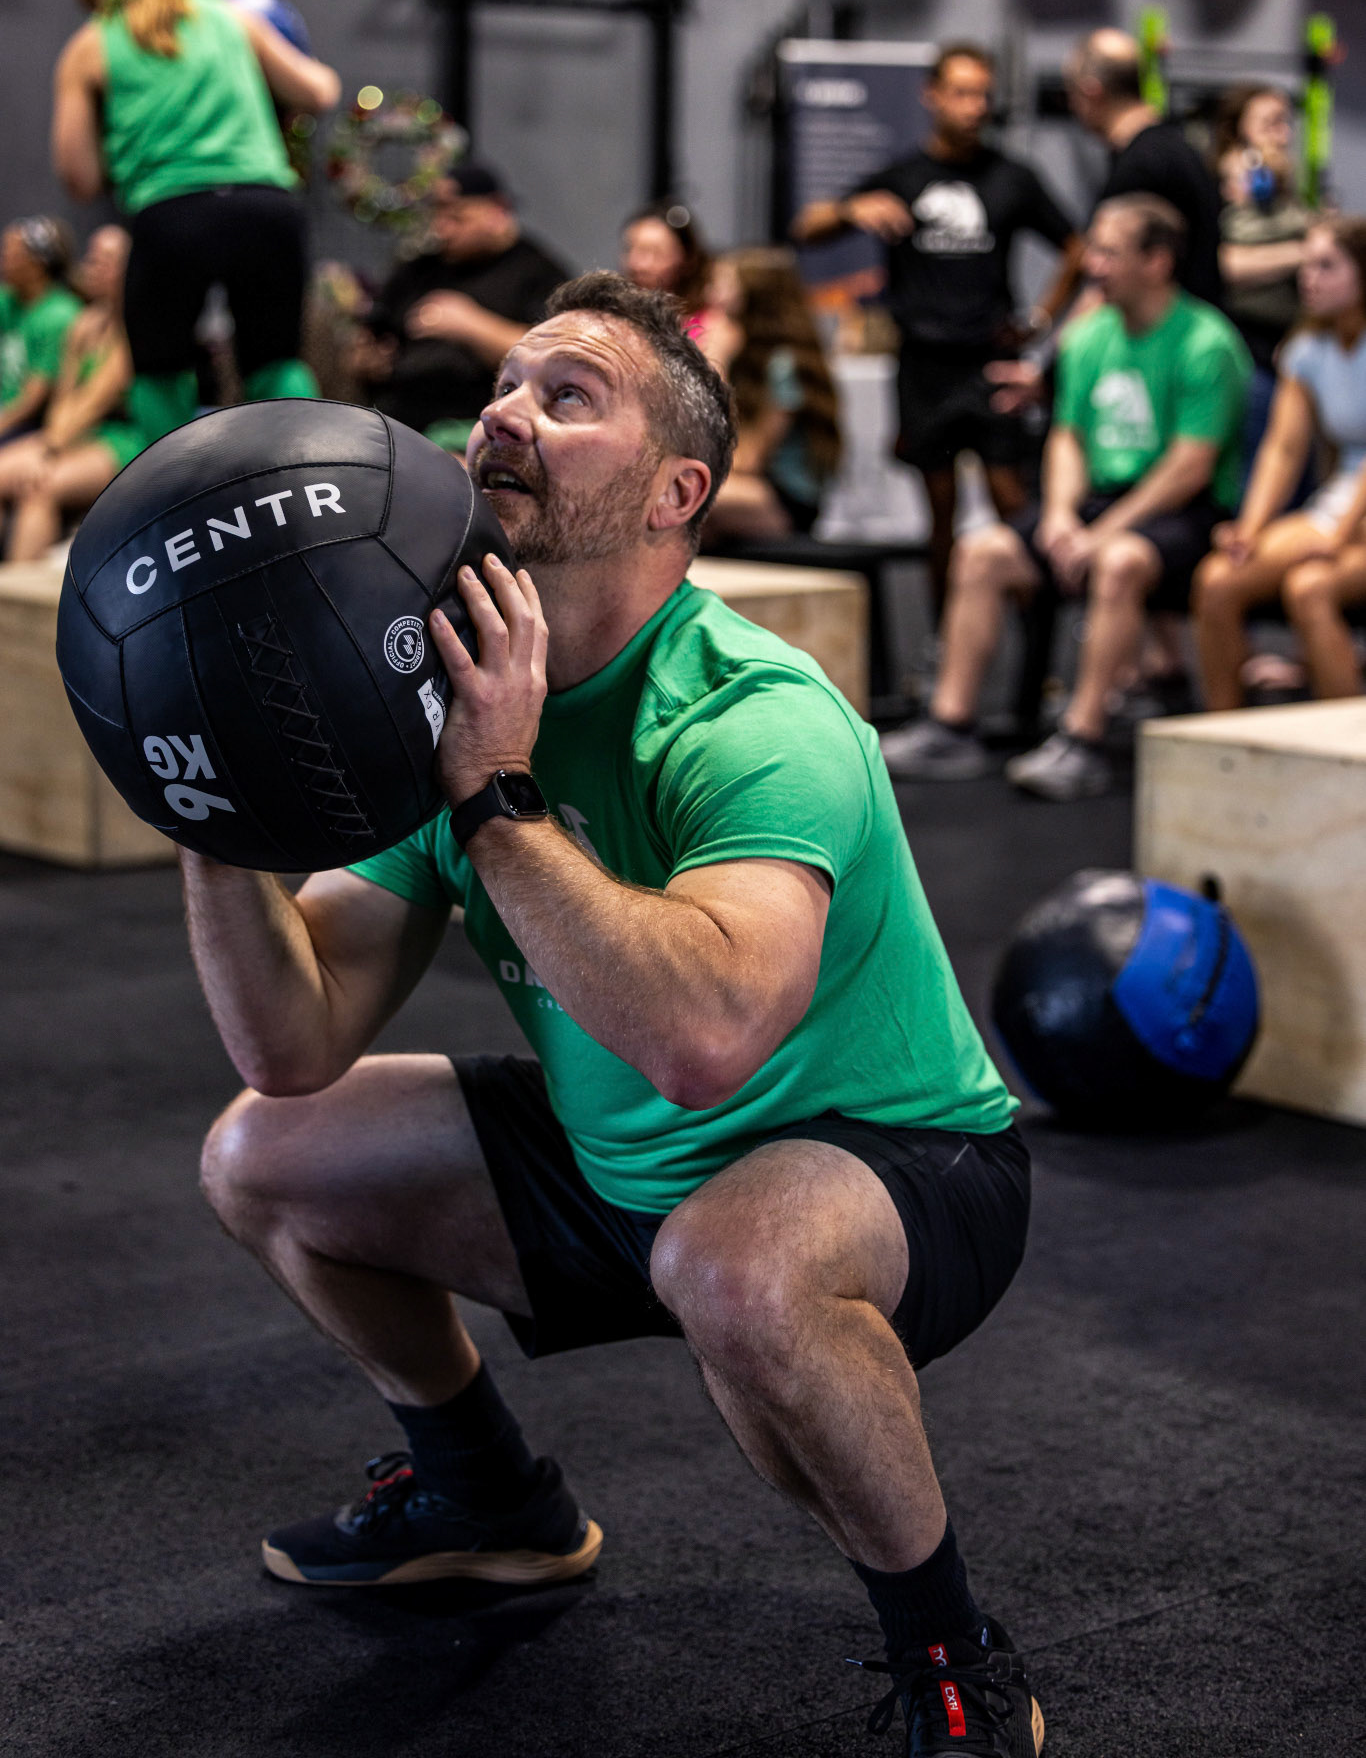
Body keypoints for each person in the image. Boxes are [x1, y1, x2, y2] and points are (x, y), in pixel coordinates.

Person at [189, 271, 1043, 1756]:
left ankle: (953, 1654)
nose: (506, 413)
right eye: (503, 387)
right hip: (620, 1165)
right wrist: (207, 804)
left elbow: (706, 1042)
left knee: (734, 1262)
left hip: (887, 1160)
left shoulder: (752, 713)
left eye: (568, 396)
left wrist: (497, 794)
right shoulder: (447, 697)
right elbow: (293, 1037)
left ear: (674, 492)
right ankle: (484, 1497)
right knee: (265, 1152)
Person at [884, 196, 1249, 801]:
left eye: (1109, 252)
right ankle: (952, 725)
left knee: (1119, 561)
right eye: (1094, 250)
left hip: (1182, 512)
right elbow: (1068, 438)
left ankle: (1083, 739)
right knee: (982, 551)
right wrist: (1057, 515)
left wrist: (1102, 534)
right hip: (1097, 502)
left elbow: (1190, 466)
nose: (1092, 265)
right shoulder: (1087, 337)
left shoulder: (1206, 343)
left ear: (1156, 262)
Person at [792, 43, 1080, 610]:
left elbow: (1077, 248)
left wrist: (1040, 319)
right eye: (962, 93)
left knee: (1012, 501)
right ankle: (944, 637)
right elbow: (807, 226)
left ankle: (1033, 645)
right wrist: (852, 211)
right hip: (924, 364)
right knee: (939, 509)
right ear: (933, 96)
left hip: (988, 359)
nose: (975, 107)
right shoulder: (904, 178)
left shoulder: (1011, 177)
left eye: (983, 95)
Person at [50, 0, 340, 443]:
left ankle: (172, 489)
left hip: (172, 213)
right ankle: (305, 475)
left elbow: (79, 178)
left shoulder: (91, 45)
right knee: (275, 362)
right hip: (264, 205)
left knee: (159, 373)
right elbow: (320, 90)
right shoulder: (228, 14)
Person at [1194, 217, 1366, 708]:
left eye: (1326, 266)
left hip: (1355, 518)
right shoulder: (1307, 351)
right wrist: (1249, 528)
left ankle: (1345, 746)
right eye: (1306, 265)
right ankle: (1227, 735)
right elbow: (1282, 450)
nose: (1309, 278)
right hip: (1340, 507)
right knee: (1217, 580)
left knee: (1309, 587)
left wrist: (1337, 538)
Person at [359, 162, 570, 447]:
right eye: (437, 216)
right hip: (394, 420)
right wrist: (369, 359)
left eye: (457, 218)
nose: (442, 229)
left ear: (498, 212)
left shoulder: (539, 274)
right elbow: (373, 338)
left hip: (483, 428)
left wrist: (468, 326)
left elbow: (553, 358)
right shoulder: (418, 270)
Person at [0, 225, 138, 562]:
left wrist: (49, 450)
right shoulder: (85, 323)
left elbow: (95, 401)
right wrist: (50, 440)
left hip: (131, 440)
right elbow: (65, 398)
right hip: (80, 434)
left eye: (105, 261)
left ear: (130, 267)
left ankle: (19, 591)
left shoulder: (138, 326)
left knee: (39, 489)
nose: (93, 267)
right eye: (92, 258)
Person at [1064, 28, 1225, 308]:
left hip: (1167, 330)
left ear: (1092, 92)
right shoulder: (1176, 147)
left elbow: (1105, 281)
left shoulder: (1140, 167)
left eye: (1072, 95)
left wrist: (1067, 338)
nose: (1072, 106)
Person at [695, 245, 842, 541]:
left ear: (753, 295)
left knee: (687, 498)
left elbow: (747, 460)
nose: (711, 294)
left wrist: (716, 370)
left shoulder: (784, 365)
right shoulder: (747, 355)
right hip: (748, 488)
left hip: (785, 500)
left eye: (723, 285)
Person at [1212, 84, 1316, 481]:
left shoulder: (1287, 193)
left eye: (1285, 123)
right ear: (1239, 130)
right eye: (1271, 123)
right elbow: (1227, 264)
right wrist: (1304, 252)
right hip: (1246, 348)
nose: (1283, 135)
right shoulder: (1228, 189)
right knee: (1257, 466)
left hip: (1292, 345)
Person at [0, 216, 82, 450]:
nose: (3, 261)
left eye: (11, 255)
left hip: (32, 424)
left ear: (37, 265)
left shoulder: (59, 315)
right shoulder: (9, 300)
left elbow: (33, 400)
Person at [619, 200, 711, 337]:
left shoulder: (711, 328)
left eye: (655, 252)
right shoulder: (613, 317)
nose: (636, 263)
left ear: (687, 258)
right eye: (629, 249)